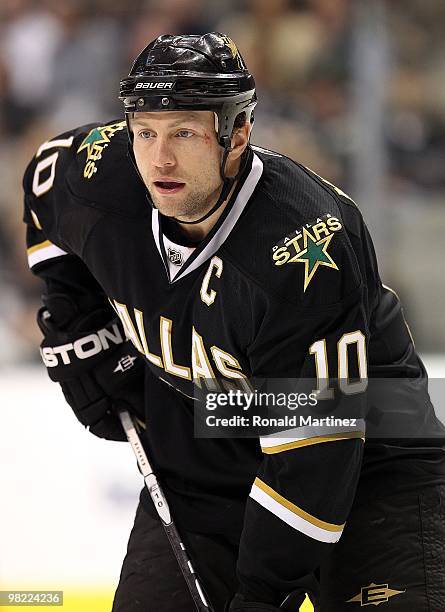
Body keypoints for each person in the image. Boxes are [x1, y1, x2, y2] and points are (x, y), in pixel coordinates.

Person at [23, 33, 445, 612]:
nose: (160, 158)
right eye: (145, 131)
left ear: (237, 134)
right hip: (206, 467)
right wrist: (73, 317)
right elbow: (41, 190)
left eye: (185, 133)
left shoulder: (302, 246)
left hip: (374, 465)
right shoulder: (100, 177)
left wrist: (260, 596)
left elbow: (317, 454)